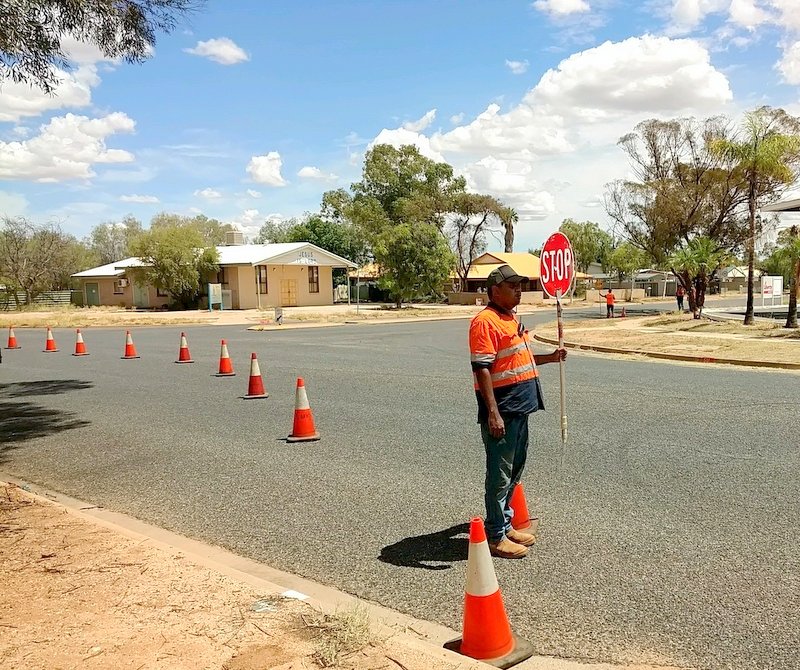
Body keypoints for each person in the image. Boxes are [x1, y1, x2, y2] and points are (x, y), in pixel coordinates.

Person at [468, 264, 566, 559]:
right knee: (499, 473)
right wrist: (492, 413)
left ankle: (506, 523)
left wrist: (550, 357)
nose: (518, 291)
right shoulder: (485, 322)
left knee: (514, 470)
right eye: (512, 286)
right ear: (494, 290)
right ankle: (496, 535)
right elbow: (482, 368)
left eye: (520, 286)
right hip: (503, 409)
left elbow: (517, 359)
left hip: (520, 406)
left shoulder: (510, 319)